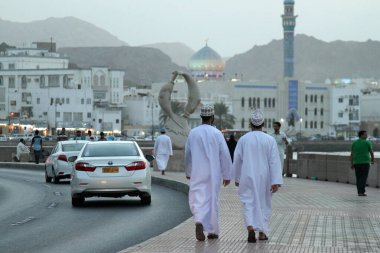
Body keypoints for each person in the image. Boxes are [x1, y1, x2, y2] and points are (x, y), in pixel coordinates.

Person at [184, 104, 233, 241]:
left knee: (198, 199)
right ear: (212, 117)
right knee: (212, 200)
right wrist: (227, 174)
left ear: (201, 117)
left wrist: (188, 171)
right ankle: (212, 231)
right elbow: (224, 154)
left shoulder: (193, 133)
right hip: (213, 173)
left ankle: (199, 220)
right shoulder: (217, 133)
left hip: (197, 172)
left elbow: (187, 154)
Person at [233, 109, 283, 243]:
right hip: (264, 177)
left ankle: (250, 228)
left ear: (250, 124)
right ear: (263, 124)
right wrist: (276, 181)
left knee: (248, 202)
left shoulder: (243, 139)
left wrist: (237, 178)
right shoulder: (270, 140)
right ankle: (261, 233)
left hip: (247, 175)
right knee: (263, 203)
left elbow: (237, 159)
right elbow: (274, 161)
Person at [350, 130, 375, 196]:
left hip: (357, 163)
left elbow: (352, 154)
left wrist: (352, 163)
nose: (367, 135)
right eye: (365, 134)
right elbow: (371, 152)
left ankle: (359, 191)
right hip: (365, 162)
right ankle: (362, 192)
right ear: (361, 135)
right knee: (364, 177)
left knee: (358, 178)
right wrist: (372, 160)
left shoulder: (354, 143)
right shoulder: (367, 142)